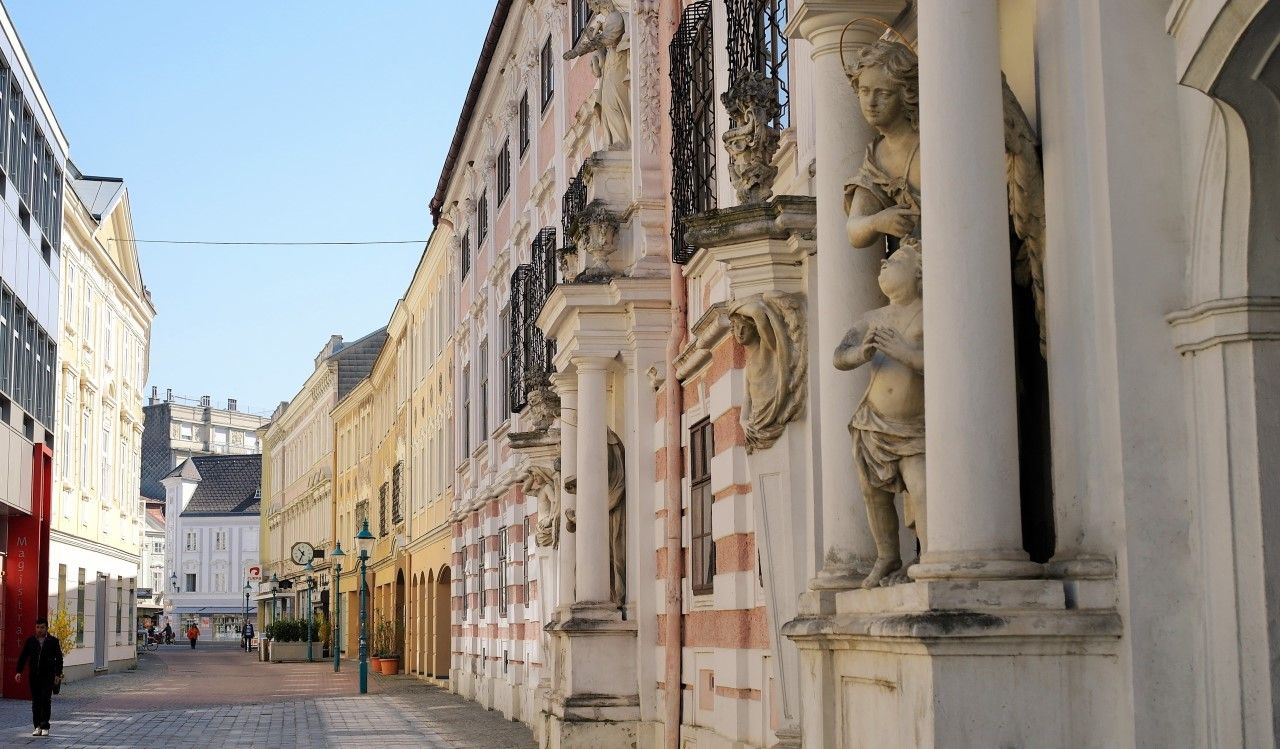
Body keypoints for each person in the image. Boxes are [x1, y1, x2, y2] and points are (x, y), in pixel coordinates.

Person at [834, 242, 926, 589]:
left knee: (920, 486)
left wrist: (907, 353)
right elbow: (839, 356)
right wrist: (862, 352)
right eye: (886, 259)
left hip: (915, 424)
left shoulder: (929, 312)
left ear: (919, 272)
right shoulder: (871, 318)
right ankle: (888, 555)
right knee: (873, 491)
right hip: (872, 422)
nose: (885, 260)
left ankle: (930, 554)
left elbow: (946, 359)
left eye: (898, 259)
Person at [13, 616, 64, 737]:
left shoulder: (53, 641)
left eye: (42, 627)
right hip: (34, 676)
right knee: (36, 701)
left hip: (48, 676)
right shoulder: (30, 641)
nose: (39, 630)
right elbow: (23, 656)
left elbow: (59, 659)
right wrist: (18, 672)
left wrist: (58, 674)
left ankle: (45, 726)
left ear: (46, 628)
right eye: (37, 627)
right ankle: (37, 726)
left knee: (46, 700)